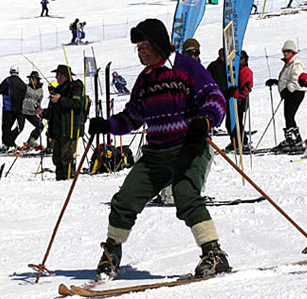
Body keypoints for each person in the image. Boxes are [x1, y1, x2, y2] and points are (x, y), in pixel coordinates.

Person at [87, 18, 229, 281]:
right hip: (156, 153)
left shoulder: (187, 68)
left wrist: (206, 120)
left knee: (186, 194)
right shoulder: (145, 80)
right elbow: (131, 117)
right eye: (138, 47)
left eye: (144, 45)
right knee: (125, 199)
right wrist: (106, 125)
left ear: (159, 45)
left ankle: (214, 254)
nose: (141, 51)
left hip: (189, 147)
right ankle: (111, 253)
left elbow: (214, 97)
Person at [38, 64, 84, 180]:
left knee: (66, 157)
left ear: (63, 76)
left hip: (69, 129)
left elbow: (77, 104)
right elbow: (54, 111)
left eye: (57, 75)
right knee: (57, 158)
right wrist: (43, 112)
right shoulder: (58, 90)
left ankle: (69, 179)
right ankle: (60, 179)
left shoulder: (75, 87)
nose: (56, 78)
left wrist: (60, 99)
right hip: (58, 130)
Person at [266, 40, 307, 153]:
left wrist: (287, 90)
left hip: (296, 92)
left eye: (288, 51)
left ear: (293, 52)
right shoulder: (289, 63)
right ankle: (292, 138)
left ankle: (294, 140)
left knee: (289, 116)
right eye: (284, 51)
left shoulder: (296, 64)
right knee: (288, 116)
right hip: (291, 92)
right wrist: (276, 82)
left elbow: (296, 79)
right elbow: (286, 79)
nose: (286, 54)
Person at [0, 65, 27, 152]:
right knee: (15, 126)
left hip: (8, 108)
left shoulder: (8, 80)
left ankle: (8, 143)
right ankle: (10, 142)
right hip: (18, 108)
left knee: (6, 127)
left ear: (10, 72)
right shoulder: (22, 83)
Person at [225, 50, 253, 151]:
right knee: (230, 121)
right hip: (234, 98)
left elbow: (247, 86)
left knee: (237, 121)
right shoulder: (236, 70)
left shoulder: (245, 70)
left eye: (241, 58)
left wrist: (241, 96)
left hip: (241, 99)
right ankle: (235, 140)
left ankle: (242, 141)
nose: (239, 61)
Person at [21, 71, 45, 150]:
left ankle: (31, 141)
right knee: (19, 127)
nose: (32, 81)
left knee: (40, 126)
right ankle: (9, 143)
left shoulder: (40, 90)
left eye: (34, 79)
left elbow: (39, 101)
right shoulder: (26, 87)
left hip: (32, 112)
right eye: (31, 79)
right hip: (23, 111)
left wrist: (39, 110)